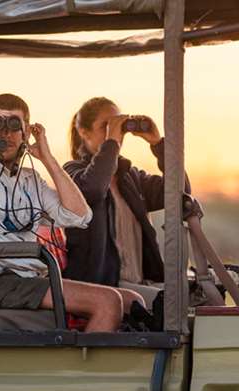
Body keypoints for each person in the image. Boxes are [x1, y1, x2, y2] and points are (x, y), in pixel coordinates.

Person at [0, 93, 144, 332]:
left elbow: (79, 216)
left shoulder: (30, 180)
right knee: (107, 302)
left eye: (14, 126)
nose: (5, 134)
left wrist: (48, 158)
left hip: (27, 281)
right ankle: (81, 370)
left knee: (132, 301)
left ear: (26, 133)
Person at [63, 97, 191, 306]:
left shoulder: (130, 178)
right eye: (105, 126)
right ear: (83, 132)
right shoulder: (71, 173)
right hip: (101, 288)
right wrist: (111, 142)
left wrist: (158, 144)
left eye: (117, 126)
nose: (114, 132)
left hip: (140, 284)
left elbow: (180, 193)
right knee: (168, 306)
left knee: (191, 299)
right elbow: (94, 189)